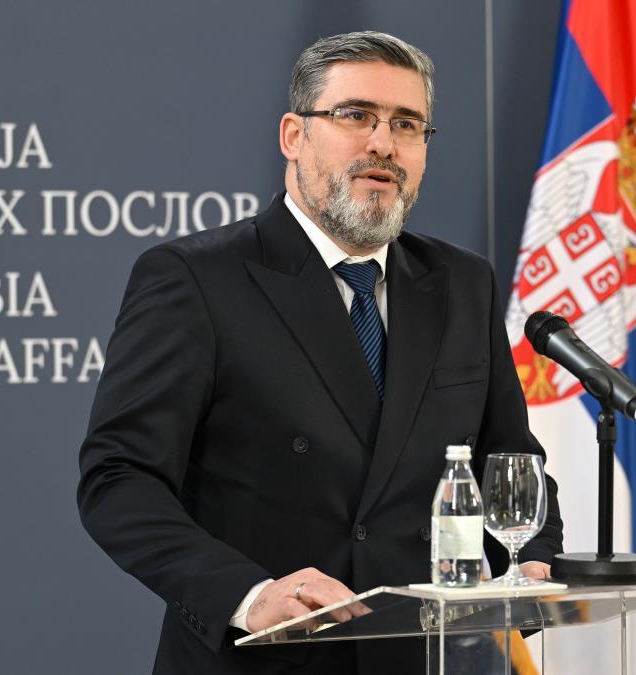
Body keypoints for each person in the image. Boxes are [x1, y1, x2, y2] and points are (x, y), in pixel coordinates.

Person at [77, 31, 563, 675]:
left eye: (407, 124)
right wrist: (248, 596)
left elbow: (512, 460)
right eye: (356, 115)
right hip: (272, 658)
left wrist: (534, 559)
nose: (383, 143)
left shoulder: (462, 282)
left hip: (428, 658)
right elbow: (119, 479)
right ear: (293, 135)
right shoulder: (195, 279)